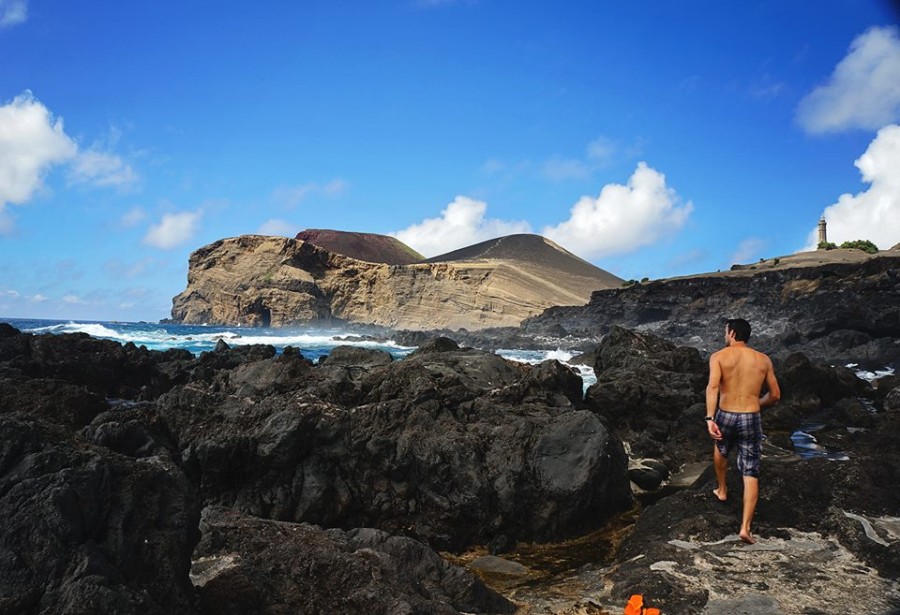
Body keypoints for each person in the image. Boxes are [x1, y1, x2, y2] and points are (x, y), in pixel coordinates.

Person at [705, 318, 780, 544]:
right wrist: (758, 403)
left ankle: (722, 489)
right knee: (750, 471)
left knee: (720, 446)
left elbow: (713, 387)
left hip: (726, 412)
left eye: (726, 331)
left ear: (733, 333)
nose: (724, 335)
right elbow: (775, 395)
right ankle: (746, 528)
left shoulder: (718, 357)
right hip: (751, 415)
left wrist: (710, 418)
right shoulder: (763, 360)